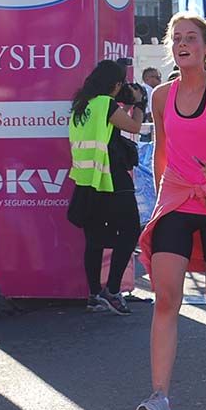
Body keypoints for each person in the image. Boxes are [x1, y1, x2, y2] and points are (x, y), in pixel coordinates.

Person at [135, 12, 206, 410]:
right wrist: (160, 201)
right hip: (177, 202)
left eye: (190, 38)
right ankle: (160, 395)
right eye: (176, 38)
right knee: (167, 299)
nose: (182, 44)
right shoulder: (161, 95)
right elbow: (161, 152)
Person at [67, 60, 144, 315]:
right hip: (112, 178)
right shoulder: (105, 104)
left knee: (95, 241)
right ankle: (112, 290)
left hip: (87, 181)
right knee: (131, 231)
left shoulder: (81, 106)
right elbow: (134, 127)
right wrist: (138, 103)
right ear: (116, 84)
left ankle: (94, 295)